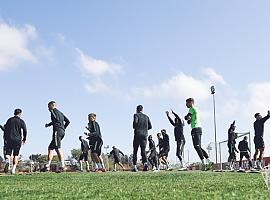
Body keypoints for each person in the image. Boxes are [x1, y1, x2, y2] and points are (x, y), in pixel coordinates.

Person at [185, 98, 212, 171]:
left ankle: (204, 164)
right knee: (198, 146)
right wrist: (189, 119)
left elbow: (186, 117)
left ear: (191, 102)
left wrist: (187, 118)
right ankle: (209, 161)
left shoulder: (192, 108)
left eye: (187, 103)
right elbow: (189, 121)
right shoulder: (193, 109)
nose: (186, 105)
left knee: (196, 146)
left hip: (195, 129)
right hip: (198, 128)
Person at [45, 101, 70, 172]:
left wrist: (49, 125)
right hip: (62, 132)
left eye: (49, 107)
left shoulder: (53, 111)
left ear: (52, 106)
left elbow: (56, 119)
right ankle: (48, 165)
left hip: (57, 131)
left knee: (58, 148)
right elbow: (68, 121)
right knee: (50, 148)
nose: (48, 109)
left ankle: (63, 165)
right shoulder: (61, 113)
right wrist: (63, 128)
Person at [3, 109, 27, 174]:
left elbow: (5, 130)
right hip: (18, 140)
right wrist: (24, 139)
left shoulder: (9, 120)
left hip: (9, 139)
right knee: (16, 155)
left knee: (8, 154)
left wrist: (6, 138)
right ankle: (13, 169)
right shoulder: (21, 121)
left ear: (14, 113)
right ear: (20, 114)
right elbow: (25, 130)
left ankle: (7, 161)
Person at [132, 105, 152, 172]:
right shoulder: (146, 117)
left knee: (135, 150)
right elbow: (150, 126)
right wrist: (145, 129)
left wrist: (136, 127)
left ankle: (134, 166)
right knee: (143, 150)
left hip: (137, 134)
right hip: (144, 135)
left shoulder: (136, 115)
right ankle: (145, 163)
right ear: (142, 110)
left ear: (137, 109)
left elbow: (135, 123)